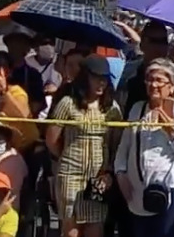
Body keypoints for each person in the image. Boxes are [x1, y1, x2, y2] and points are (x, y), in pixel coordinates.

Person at [114, 58, 174, 237]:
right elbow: (125, 145)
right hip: (136, 194)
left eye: (160, 80)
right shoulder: (137, 109)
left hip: (167, 192)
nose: (154, 85)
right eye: (150, 79)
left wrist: (172, 133)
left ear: (172, 86)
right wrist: (120, 173)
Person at [47, 53, 121, 237]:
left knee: (95, 228)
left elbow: (116, 144)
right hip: (70, 174)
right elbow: (52, 139)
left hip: (98, 177)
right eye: (96, 78)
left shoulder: (112, 108)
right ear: (85, 77)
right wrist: (66, 159)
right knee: (71, 230)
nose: (101, 83)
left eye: (104, 79)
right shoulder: (68, 104)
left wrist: (109, 172)